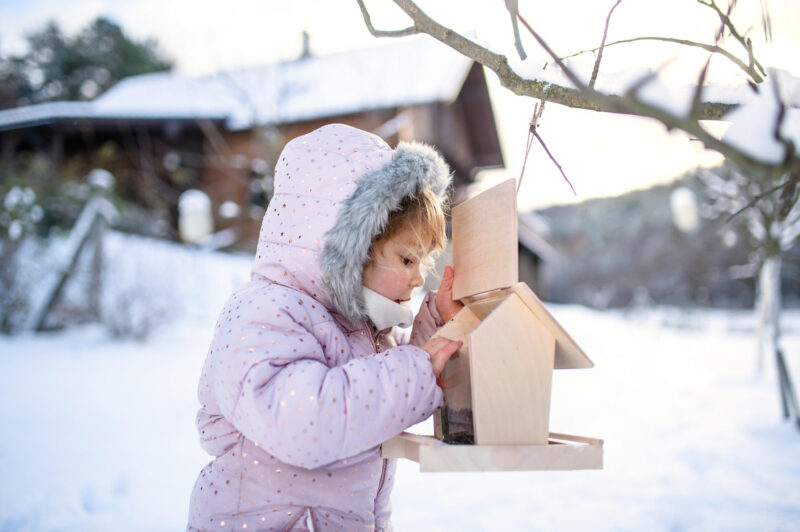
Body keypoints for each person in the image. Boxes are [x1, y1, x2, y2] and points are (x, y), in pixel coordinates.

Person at [187, 123, 464, 531]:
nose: (420, 277)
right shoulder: (264, 312)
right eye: (408, 260)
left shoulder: (361, 328)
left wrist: (434, 330)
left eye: (425, 262)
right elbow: (305, 423)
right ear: (348, 249)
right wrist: (418, 367)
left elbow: (377, 398)